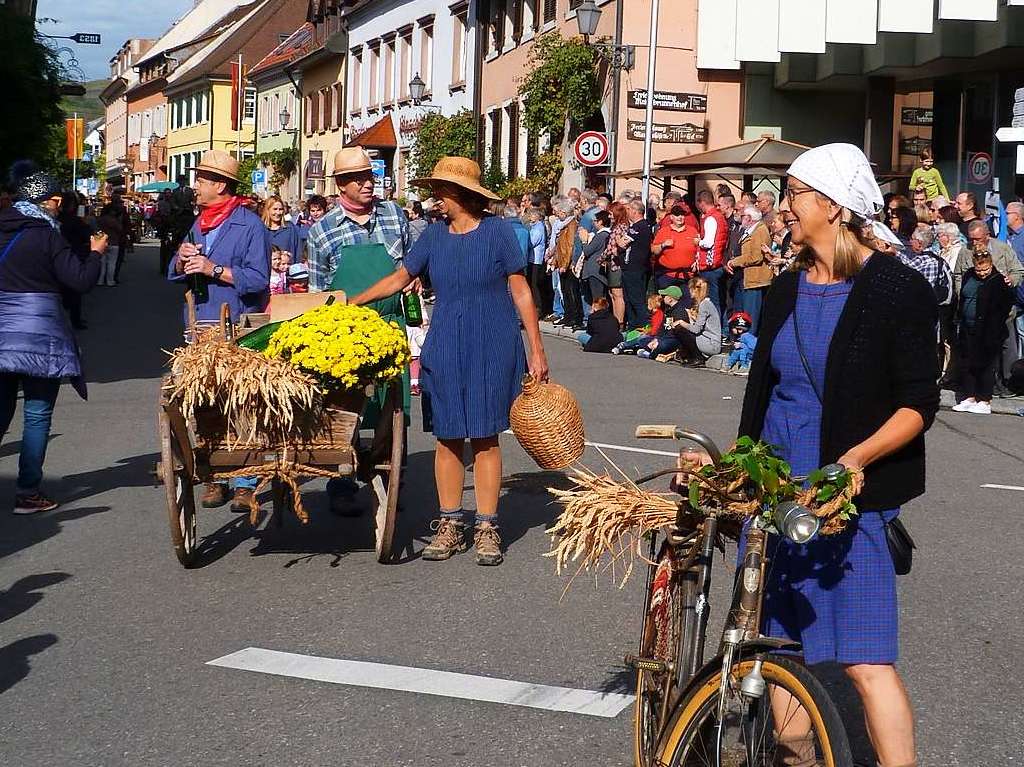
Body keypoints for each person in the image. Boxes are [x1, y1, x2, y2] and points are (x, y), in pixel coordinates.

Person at [738, 143, 939, 767]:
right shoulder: (785, 290)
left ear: (831, 204)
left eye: (793, 194)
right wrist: (737, 469)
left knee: (866, 663)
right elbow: (762, 394)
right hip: (778, 500)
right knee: (779, 656)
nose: (782, 207)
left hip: (847, 502)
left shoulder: (895, 289)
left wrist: (855, 460)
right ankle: (798, 756)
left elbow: (916, 405)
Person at [350, 156, 548, 566]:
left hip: (492, 343)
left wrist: (537, 348)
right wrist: (353, 303)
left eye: (440, 189)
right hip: (445, 344)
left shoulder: (497, 233)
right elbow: (399, 278)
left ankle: (488, 525)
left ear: (459, 194)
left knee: (486, 436)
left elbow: (521, 290)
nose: (435, 197)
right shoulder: (433, 237)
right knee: (448, 436)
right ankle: (450, 523)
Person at [167, 150, 270, 513]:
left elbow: (259, 280)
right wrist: (182, 259)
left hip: (239, 325)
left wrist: (214, 269)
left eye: (201, 180)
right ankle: (213, 476)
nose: (195, 186)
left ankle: (245, 480)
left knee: (243, 402)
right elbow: (173, 270)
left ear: (220, 185)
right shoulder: (201, 223)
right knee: (205, 404)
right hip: (201, 325)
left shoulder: (250, 225)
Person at [0, 168, 106, 513]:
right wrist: (96, 253)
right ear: (52, 201)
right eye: (58, 203)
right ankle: (28, 492)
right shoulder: (47, 235)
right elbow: (80, 281)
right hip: (39, 333)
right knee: (36, 412)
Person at [955, 220, 1023, 396]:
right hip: (974, 310)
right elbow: (958, 274)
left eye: (978, 239)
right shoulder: (965, 252)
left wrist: (1011, 279)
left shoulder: (1002, 249)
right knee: (977, 349)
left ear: (987, 235)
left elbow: (1018, 270)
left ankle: (1007, 381)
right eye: (972, 239)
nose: (975, 243)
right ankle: (980, 385)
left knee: (1006, 345)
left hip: (1000, 310)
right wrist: (961, 291)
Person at [951, 248, 1014, 414]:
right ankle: (970, 397)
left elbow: (1005, 305)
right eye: (978, 269)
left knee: (986, 365)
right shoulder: (969, 275)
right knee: (968, 364)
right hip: (968, 327)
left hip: (989, 330)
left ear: (991, 265)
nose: (982, 273)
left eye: (985, 269)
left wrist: (994, 324)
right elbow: (962, 297)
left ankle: (984, 399)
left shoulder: (998, 280)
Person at [726, 205, 772, 333]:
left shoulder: (760, 230)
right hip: (744, 278)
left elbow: (756, 256)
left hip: (755, 280)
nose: (741, 219)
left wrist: (735, 262)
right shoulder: (750, 230)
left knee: (751, 316)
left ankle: (750, 347)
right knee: (743, 314)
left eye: (742, 216)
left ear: (749, 218)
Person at [56, 191, 92, 330]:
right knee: (74, 291)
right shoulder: (75, 220)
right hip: (74, 256)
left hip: (58, 257)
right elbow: (87, 235)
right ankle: (74, 320)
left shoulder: (56, 219)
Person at [670, 275, 721, 367]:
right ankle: (691, 355)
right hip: (706, 339)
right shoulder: (705, 303)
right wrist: (690, 317)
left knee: (680, 329)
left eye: (690, 289)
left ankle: (698, 358)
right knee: (681, 329)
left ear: (695, 290)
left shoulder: (705, 305)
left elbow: (696, 330)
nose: (689, 291)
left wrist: (681, 322)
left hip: (711, 343)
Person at [693, 189, 728, 320]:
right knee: (719, 299)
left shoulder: (711, 218)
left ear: (702, 203)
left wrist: (698, 242)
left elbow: (708, 243)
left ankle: (716, 329)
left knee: (713, 302)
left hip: (710, 265)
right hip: (718, 262)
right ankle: (721, 329)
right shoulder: (720, 217)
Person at [651, 204, 698, 293]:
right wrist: (663, 245)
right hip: (667, 276)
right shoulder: (663, 231)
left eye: (682, 215)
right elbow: (654, 250)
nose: (680, 217)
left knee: (687, 304)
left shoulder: (692, 231)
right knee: (666, 303)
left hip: (687, 276)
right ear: (671, 217)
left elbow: (699, 249)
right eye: (677, 215)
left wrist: (697, 261)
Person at [636, 286, 692, 360]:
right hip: (666, 337)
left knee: (663, 345)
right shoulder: (668, 310)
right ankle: (649, 349)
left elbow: (675, 332)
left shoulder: (679, 311)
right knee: (642, 340)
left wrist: (659, 341)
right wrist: (657, 338)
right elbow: (663, 328)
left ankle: (650, 354)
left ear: (670, 299)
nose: (662, 298)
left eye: (664, 296)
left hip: (675, 339)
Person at [622, 200, 652, 329]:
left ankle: (643, 326)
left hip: (636, 268)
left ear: (635, 211)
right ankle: (632, 327)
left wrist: (619, 239)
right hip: (629, 268)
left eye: (628, 210)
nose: (627, 212)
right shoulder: (636, 226)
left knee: (636, 300)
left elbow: (622, 243)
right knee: (628, 300)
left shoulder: (640, 226)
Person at [578, 209, 611, 307]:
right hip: (596, 270)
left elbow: (588, 250)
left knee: (598, 298)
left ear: (601, 222)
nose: (593, 223)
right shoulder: (603, 234)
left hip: (595, 271)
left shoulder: (602, 235)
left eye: (595, 221)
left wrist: (584, 241)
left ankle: (599, 317)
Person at [525, 207, 552, 319]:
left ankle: (538, 308)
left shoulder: (539, 228)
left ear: (537, 216)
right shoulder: (534, 227)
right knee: (532, 283)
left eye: (532, 214)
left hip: (536, 260)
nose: (530, 216)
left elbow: (532, 242)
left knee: (535, 284)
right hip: (533, 259)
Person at [100, 192, 132, 283]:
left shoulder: (105, 209)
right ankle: (112, 278)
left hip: (105, 238)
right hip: (118, 238)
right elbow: (127, 224)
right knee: (116, 260)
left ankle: (102, 279)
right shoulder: (122, 210)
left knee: (104, 260)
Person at [261, 195, 303, 260]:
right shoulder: (260, 229)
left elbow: (298, 252)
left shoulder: (290, 228)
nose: (278, 212)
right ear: (268, 210)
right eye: (275, 209)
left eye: (280, 209)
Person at [723, 310, 757, 375]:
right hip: (748, 351)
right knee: (735, 352)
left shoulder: (746, 336)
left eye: (733, 327)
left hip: (752, 353)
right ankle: (729, 364)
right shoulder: (739, 336)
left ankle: (744, 367)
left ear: (740, 329)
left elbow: (753, 347)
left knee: (742, 351)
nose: (731, 329)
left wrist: (741, 345)